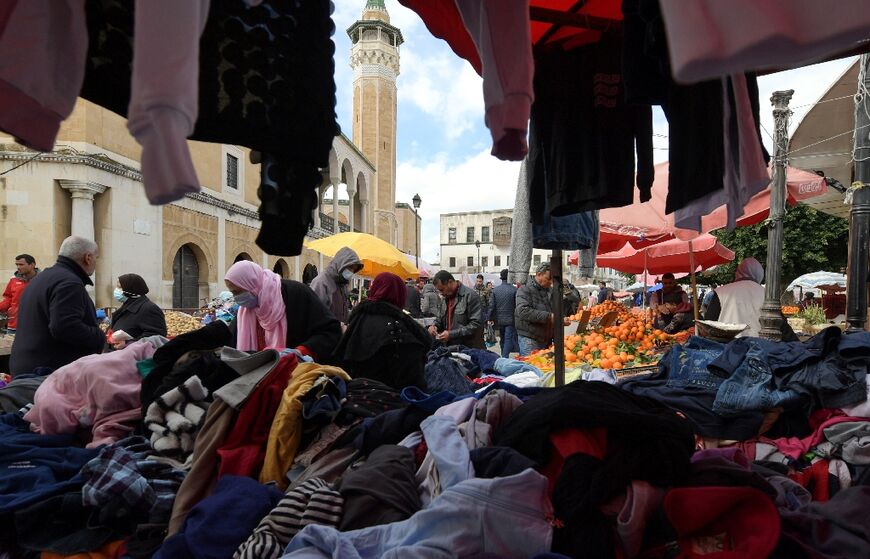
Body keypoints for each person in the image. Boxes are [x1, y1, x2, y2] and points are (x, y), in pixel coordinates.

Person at [10, 236, 104, 375]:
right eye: (96, 257)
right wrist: (99, 336)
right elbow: (65, 327)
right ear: (88, 258)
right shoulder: (69, 283)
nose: (96, 262)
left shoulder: (42, 278)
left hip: (30, 367)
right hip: (47, 372)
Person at [224, 260, 341, 361]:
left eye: (238, 292)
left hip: (296, 376)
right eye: (233, 292)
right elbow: (230, 341)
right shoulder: (245, 311)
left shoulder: (296, 294)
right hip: (258, 378)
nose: (236, 297)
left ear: (251, 284)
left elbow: (330, 331)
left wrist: (301, 352)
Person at [334, 272, 431, 390]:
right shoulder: (398, 329)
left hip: (354, 393)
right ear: (400, 295)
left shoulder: (357, 320)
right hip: (389, 400)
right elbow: (413, 382)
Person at [515, 262, 569, 356]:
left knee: (544, 367)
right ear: (539, 274)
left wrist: (561, 318)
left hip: (546, 339)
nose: (551, 282)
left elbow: (555, 310)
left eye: (552, 280)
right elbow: (523, 311)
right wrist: (550, 317)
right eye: (548, 279)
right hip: (530, 339)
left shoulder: (550, 291)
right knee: (532, 367)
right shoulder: (525, 289)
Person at [703, 258, 765, 337]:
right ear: (760, 274)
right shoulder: (767, 295)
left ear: (738, 272)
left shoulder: (721, 292)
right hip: (760, 346)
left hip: (726, 345)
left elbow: (709, 322)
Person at [428, 270, 484, 349]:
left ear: (450, 282)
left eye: (442, 290)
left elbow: (476, 325)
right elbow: (439, 319)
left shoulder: (471, 296)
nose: (441, 293)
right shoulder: (444, 299)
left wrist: (451, 334)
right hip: (449, 348)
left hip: (469, 348)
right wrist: (434, 326)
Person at [108, 273, 167, 346]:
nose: (116, 290)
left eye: (119, 287)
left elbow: (156, 337)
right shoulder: (127, 305)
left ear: (130, 290)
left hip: (133, 355)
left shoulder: (149, 309)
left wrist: (128, 343)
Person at [309, 247, 363, 324]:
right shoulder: (321, 282)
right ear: (341, 263)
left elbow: (342, 313)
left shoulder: (342, 284)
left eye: (354, 270)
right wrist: (338, 326)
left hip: (337, 334)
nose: (351, 272)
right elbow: (315, 314)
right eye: (350, 267)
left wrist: (355, 314)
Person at [0, 253, 39, 332]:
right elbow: (8, 299)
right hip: (14, 326)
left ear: (32, 265)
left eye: (21, 265)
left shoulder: (43, 279)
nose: (18, 267)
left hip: (36, 326)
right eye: (17, 264)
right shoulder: (13, 280)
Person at [488, 268, 519, 358]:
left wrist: (489, 318)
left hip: (499, 320)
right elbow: (517, 306)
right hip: (511, 319)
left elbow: (491, 306)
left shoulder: (495, 290)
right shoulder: (514, 290)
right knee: (508, 338)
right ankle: (505, 357)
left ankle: (503, 355)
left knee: (502, 338)